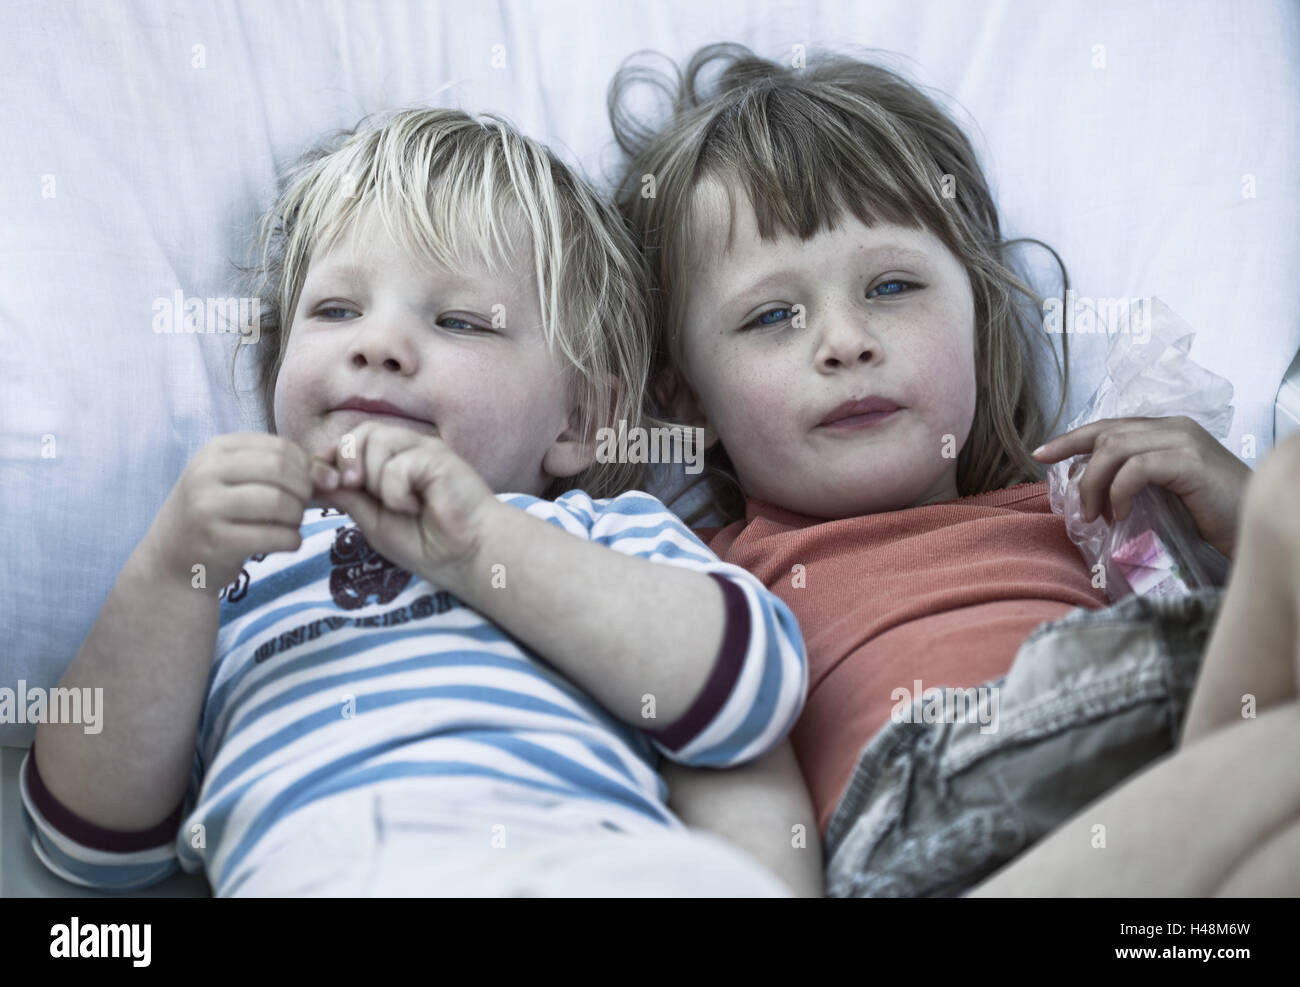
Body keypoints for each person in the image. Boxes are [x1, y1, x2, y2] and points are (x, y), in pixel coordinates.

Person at [19, 107, 817, 897]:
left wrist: (482, 544)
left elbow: (750, 691)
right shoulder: (231, 574)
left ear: (582, 420)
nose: (378, 343)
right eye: (336, 311)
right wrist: (169, 570)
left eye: (460, 321)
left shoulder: (596, 535)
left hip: (581, 860)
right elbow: (92, 842)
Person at [609, 43, 1296, 896]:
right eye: (772, 316)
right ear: (686, 398)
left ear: (978, 313)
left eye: (892, 287)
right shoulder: (691, 570)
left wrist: (1233, 514)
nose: (845, 340)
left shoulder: (1086, 505)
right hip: (941, 828)